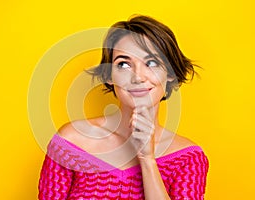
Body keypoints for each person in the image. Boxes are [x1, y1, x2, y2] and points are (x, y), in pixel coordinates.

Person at [38, 15, 209, 200]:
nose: (138, 77)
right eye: (124, 64)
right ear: (109, 75)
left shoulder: (188, 159)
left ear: (170, 73)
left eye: (152, 62)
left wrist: (147, 160)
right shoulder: (71, 142)